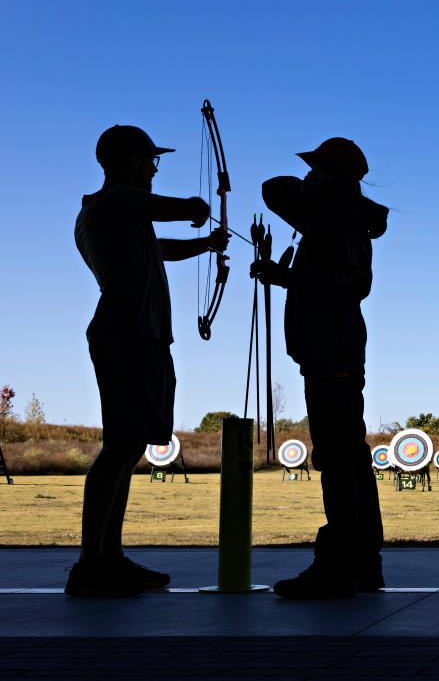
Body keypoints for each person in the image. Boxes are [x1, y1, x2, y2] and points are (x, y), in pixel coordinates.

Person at [69, 125, 228, 597]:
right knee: (119, 446)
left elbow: (161, 248)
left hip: (139, 336)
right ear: (131, 162)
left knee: (129, 444)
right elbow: (178, 210)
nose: (154, 170)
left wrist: (205, 245)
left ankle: (108, 558)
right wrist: (199, 210)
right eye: (150, 161)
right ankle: (91, 564)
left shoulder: (116, 214)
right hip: (128, 337)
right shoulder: (116, 201)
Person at [251, 137, 389, 599]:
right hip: (335, 351)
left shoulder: (339, 218)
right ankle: (363, 564)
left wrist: (290, 277)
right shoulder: (331, 215)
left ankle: (340, 567)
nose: (306, 177)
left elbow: (354, 285)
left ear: (331, 176)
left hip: (333, 351)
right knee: (349, 457)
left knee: (339, 460)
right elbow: (275, 189)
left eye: (316, 170)